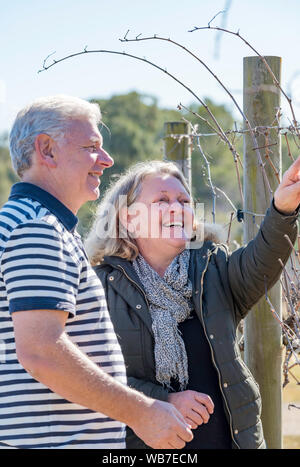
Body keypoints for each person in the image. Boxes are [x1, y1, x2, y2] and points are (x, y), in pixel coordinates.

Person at [0, 96, 194, 449]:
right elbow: (41, 350)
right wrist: (141, 412)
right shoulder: (37, 229)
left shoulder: (31, 224)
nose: (107, 161)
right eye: (92, 147)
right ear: (47, 149)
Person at [85, 159, 300, 449]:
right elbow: (86, 379)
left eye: (184, 200)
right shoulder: (99, 287)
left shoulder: (214, 268)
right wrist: (164, 401)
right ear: (128, 218)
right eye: (162, 200)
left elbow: (261, 262)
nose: (177, 207)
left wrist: (282, 209)